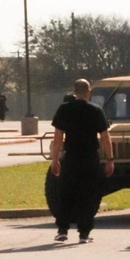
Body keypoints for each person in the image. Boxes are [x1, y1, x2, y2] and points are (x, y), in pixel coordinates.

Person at [49, 78, 114, 243]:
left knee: (66, 192)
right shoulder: (96, 110)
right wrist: (109, 159)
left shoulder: (64, 109)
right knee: (88, 194)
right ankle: (84, 233)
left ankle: (63, 229)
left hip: (71, 157)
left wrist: (55, 159)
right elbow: (105, 138)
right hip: (90, 158)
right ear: (89, 92)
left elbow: (58, 137)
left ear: (74, 92)